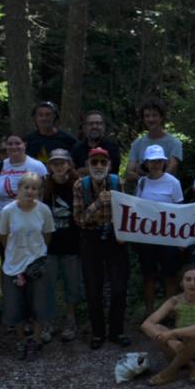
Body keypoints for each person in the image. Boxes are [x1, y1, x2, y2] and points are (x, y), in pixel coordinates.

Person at [74, 147, 130, 349]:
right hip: (91, 239)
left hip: (116, 239)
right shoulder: (81, 185)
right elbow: (79, 220)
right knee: (93, 289)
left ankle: (117, 331)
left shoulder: (118, 182)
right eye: (94, 162)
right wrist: (97, 204)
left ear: (109, 165)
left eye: (102, 162)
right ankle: (98, 333)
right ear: (88, 165)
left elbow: (128, 212)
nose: (98, 166)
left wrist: (125, 233)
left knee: (119, 288)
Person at [0, 172, 54, 360]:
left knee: (39, 304)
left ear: (39, 191)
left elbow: (46, 235)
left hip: (37, 264)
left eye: (34, 188)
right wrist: (16, 253)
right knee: (15, 306)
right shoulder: (7, 212)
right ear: (18, 189)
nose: (30, 191)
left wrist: (36, 254)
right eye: (26, 187)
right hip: (14, 265)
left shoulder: (44, 210)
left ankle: (36, 341)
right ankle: (21, 340)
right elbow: (3, 236)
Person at [141, 265, 195, 385]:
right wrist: (171, 341)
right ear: (181, 282)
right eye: (188, 279)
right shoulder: (174, 301)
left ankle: (169, 372)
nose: (192, 283)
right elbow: (146, 324)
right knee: (158, 329)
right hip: (179, 349)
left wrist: (172, 333)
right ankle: (191, 366)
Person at [133, 144, 185, 314]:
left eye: (159, 161)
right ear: (146, 164)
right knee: (148, 277)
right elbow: (136, 210)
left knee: (170, 277)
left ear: (164, 162)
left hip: (169, 238)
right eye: (152, 161)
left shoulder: (173, 182)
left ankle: (168, 314)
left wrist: (181, 239)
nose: (155, 164)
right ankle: (150, 314)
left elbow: (181, 211)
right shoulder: (141, 183)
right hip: (147, 238)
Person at [42, 149, 82, 343]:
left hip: (71, 245)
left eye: (62, 163)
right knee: (47, 286)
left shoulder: (78, 185)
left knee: (71, 286)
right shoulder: (44, 187)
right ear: (50, 167)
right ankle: (48, 322)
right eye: (54, 163)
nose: (58, 167)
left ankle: (70, 320)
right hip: (49, 246)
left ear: (69, 164)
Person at [0, 134, 48, 256]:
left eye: (18, 143)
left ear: (25, 145)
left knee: (30, 255)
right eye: (10, 144)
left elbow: (44, 193)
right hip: (3, 218)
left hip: (29, 218)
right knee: (7, 255)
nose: (14, 147)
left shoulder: (37, 166)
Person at [126, 97, 183, 180]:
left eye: (154, 115)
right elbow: (129, 173)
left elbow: (170, 170)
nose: (151, 119)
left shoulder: (174, 143)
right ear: (143, 119)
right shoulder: (137, 143)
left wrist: (140, 170)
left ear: (161, 117)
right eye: (147, 116)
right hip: (143, 191)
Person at [24, 101, 77, 165]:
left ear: (55, 116)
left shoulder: (68, 140)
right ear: (35, 118)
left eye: (48, 115)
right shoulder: (27, 140)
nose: (44, 118)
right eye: (40, 115)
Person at [70, 110, 121, 175]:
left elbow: (113, 171)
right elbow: (72, 172)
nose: (94, 126)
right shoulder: (77, 148)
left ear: (104, 127)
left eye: (98, 123)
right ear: (84, 128)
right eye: (90, 124)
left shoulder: (112, 147)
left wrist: (82, 170)